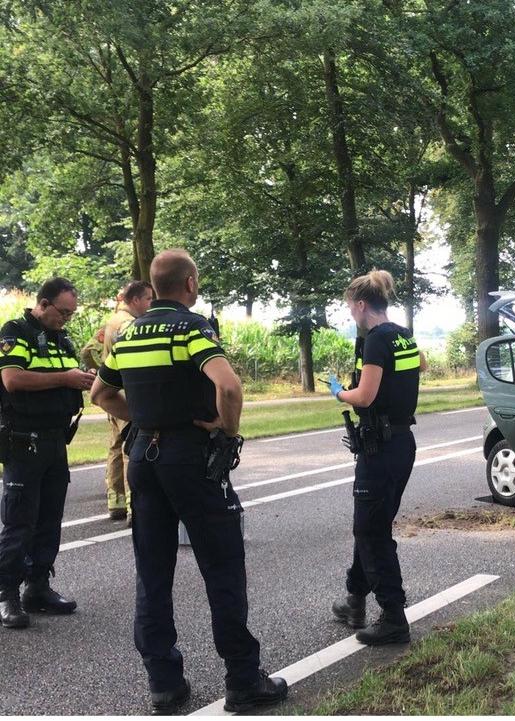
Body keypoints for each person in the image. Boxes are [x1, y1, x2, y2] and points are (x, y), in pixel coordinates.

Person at [90, 249, 287, 715]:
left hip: (143, 458)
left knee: (153, 573)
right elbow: (230, 385)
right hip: (189, 458)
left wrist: (142, 421)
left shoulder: (129, 331)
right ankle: (242, 680)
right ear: (190, 285)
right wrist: (226, 428)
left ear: (153, 288)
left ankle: (164, 683)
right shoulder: (192, 328)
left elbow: (101, 393)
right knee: (222, 568)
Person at [328, 269, 426, 647]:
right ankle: (355, 600)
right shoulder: (403, 335)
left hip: (379, 448)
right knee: (369, 524)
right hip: (402, 443)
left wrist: (340, 392)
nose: (350, 313)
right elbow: (421, 366)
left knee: (372, 532)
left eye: (350, 307)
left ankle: (393, 617)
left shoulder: (375, 341)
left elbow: (364, 397)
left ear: (362, 304)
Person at [0, 277, 96, 629]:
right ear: (43, 304)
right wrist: (65, 379)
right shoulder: (16, 331)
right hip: (25, 440)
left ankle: (37, 587)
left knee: (50, 519)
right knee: (19, 521)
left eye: (71, 313)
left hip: (56, 441)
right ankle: (6, 593)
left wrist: (83, 378)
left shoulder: (61, 338)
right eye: (63, 312)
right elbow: (12, 380)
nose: (67, 319)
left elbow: (67, 375)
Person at [100, 281, 154, 521]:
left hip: (111, 393)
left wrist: (99, 374)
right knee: (131, 447)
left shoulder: (111, 322)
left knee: (114, 447)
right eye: (148, 300)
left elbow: (88, 350)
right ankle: (135, 508)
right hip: (127, 395)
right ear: (135, 300)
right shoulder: (129, 325)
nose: (150, 304)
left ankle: (117, 503)